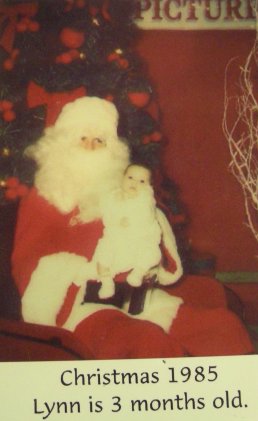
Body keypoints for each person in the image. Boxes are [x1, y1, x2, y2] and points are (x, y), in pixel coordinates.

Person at [11, 96, 254, 359]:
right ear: (62, 144)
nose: (91, 147)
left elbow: (157, 241)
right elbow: (29, 263)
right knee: (145, 342)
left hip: (138, 300)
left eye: (100, 140)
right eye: (82, 138)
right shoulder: (42, 197)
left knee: (222, 328)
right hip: (81, 307)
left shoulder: (125, 191)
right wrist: (85, 271)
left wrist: (151, 243)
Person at [78, 163, 182, 299]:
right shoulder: (112, 198)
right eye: (131, 177)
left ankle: (138, 272)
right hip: (116, 239)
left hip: (139, 239)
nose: (135, 183)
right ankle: (106, 282)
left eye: (142, 181)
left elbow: (147, 218)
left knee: (152, 254)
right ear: (123, 178)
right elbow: (106, 216)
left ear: (148, 187)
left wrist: (132, 219)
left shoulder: (145, 200)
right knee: (103, 255)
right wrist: (116, 221)